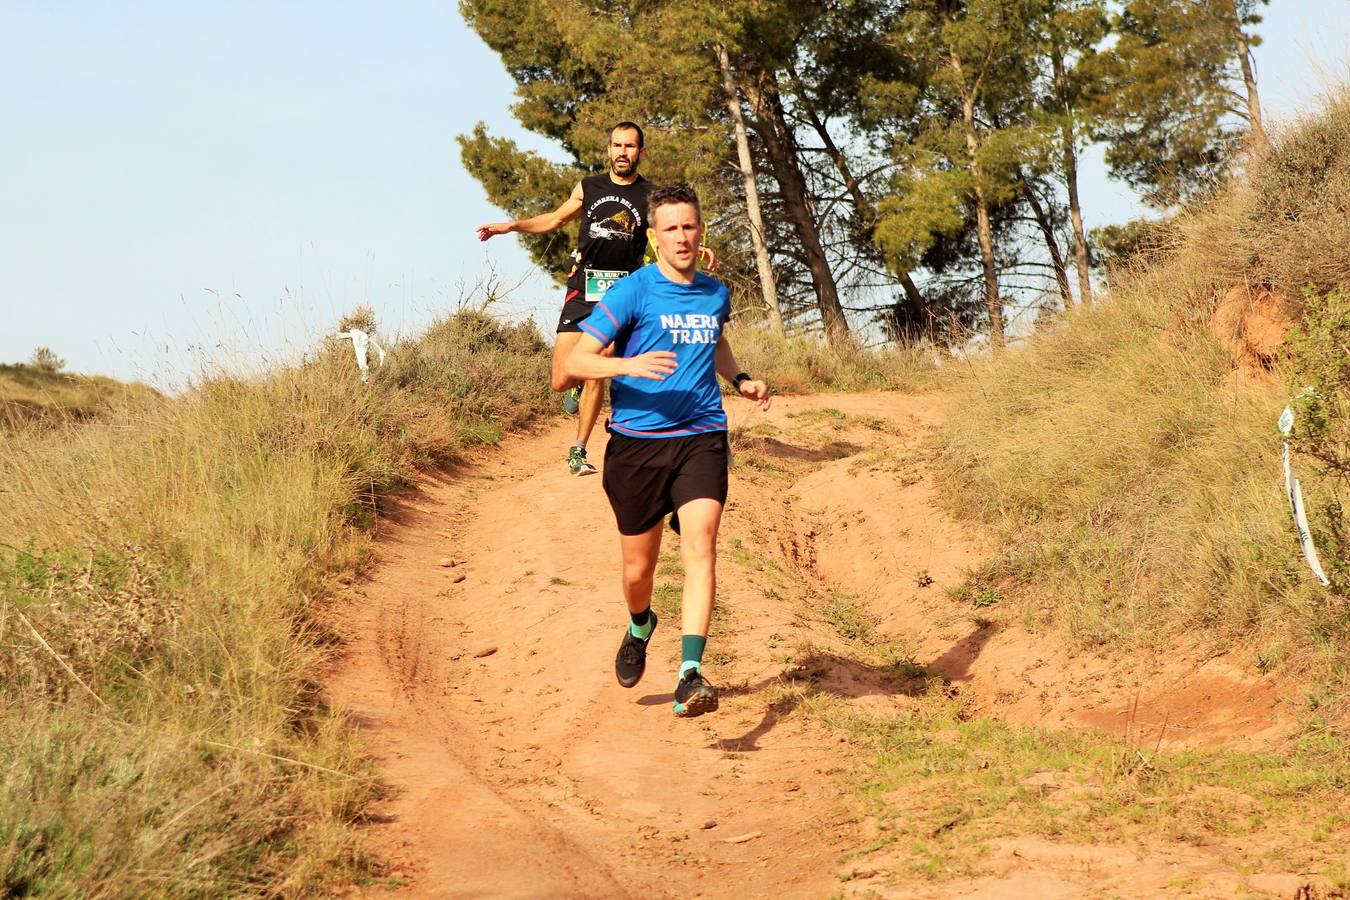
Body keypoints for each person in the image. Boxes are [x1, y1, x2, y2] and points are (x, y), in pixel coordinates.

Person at [564, 183, 770, 718]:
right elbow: (573, 366)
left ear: (701, 231)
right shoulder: (632, 292)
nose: (682, 236)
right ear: (654, 238)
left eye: (690, 226)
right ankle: (640, 625)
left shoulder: (715, 292)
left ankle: (690, 675)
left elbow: (716, 340)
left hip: (701, 437)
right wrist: (627, 365)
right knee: (639, 570)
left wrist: (740, 378)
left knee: (701, 545)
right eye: (671, 228)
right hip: (636, 446)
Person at [475, 122, 654, 477]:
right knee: (561, 379)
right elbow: (555, 219)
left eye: (630, 146)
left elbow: (664, 235)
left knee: (597, 366)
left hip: (622, 291)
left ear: (640, 152)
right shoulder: (590, 186)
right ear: (608, 150)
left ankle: (579, 449)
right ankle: (571, 388)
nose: (622, 152)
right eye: (617, 145)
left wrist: (696, 253)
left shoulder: (651, 195)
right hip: (583, 286)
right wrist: (511, 226)